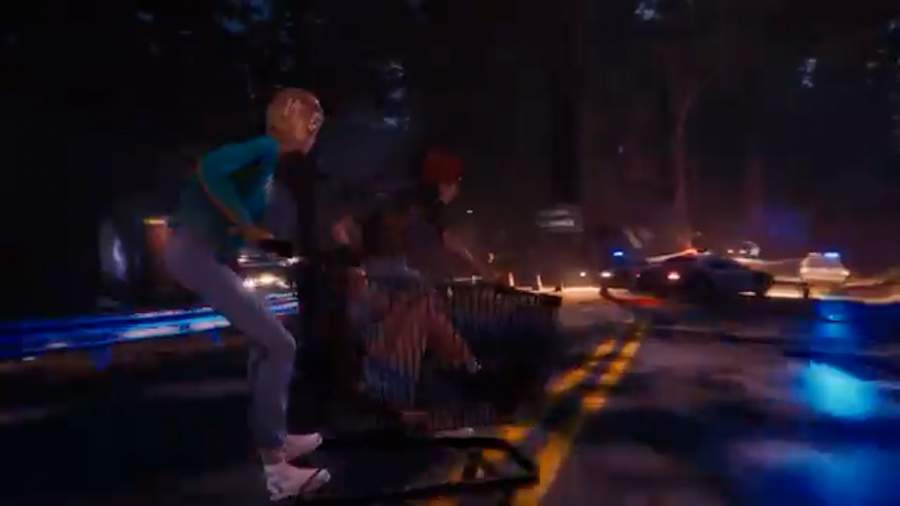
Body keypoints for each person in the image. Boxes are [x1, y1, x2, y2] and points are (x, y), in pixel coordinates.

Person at [163, 88, 330, 501]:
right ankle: (277, 469)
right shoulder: (264, 149)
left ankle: (273, 439)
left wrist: (270, 246)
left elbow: (236, 227)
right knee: (281, 344)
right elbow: (210, 169)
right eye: (313, 124)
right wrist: (245, 223)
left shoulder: (267, 167)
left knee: (266, 341)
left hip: (203, 255)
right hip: (193, 254)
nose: (315, 133)